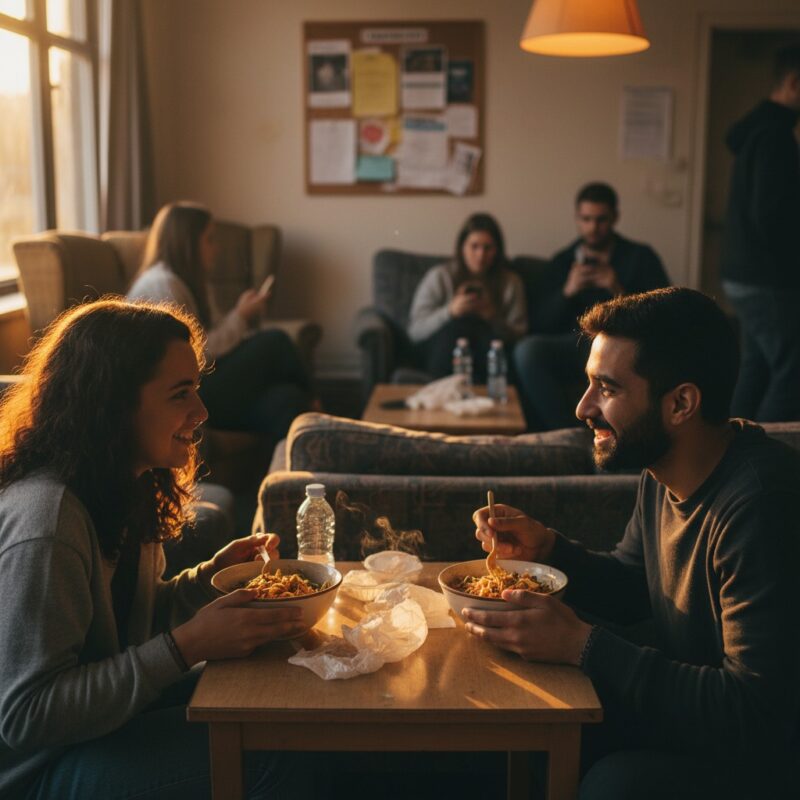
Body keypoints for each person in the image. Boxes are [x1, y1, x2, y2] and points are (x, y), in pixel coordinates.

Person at [468, 288, 800, 799]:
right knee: (520, 726)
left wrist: (582, 645)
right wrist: (548, 550)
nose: (583, 407)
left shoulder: (761, 504)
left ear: (681, 403)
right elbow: (634, 584)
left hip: (759, 757)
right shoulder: (662, 471)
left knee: (612, 786)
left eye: (607, 388)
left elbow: (752, 711)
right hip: (693, 719)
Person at [0, 299, 307, 799]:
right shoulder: (48, 522)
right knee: (274, 750)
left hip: (102, 727)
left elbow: (128, 623)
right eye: (180, 394)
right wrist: (186, 647)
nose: (202, 412)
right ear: (112, 406)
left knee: (278, 694)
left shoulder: (126, 482)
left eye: (197, 389)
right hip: (37, 770)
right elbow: (28, 715)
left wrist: (209, 580)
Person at [127, 201, 314, 445]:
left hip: (204, 378)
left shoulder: (193, 282)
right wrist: (241, 316)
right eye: (210, 239)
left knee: (287, 399)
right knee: (275, 341)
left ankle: (295, 464)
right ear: (188, 243)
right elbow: (197, 352)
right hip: (186, 388)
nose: (216, 249)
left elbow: (213, 333)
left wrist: (240, 313)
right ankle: (319, 406)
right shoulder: (162, 285)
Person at [514, 182, 669, 430]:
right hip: (575, 344)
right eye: (586, 219)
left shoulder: (640, 257)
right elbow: (538, 324)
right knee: (527, 351)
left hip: (624, 344)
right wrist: (567, 292)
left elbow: (664, 317)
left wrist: (617, 289)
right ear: (577, 218)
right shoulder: (563, 261)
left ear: (615, 217)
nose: (593, 228)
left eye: (601, 220)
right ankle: (568, 433)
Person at [720, 43, 800, 422]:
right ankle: (770, 449)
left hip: (744, 274)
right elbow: (772, 216)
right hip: (766, 278)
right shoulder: (774, 137)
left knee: (758, 365)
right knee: (793, 371)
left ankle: (732, 445)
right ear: (794, 83)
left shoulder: (759, 131)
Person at [407, 212, 527, 383]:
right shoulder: (440, 277)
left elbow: (520, 336)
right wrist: (450, 311)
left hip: (487, 349)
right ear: (462, 247)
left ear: (497, 250)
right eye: (474, 246)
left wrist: (491, 317)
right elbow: (415, 332)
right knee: (459, 326)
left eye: (488, 248)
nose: (480, 255)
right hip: (444, 348)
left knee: (484, 335)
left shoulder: (510, 282)